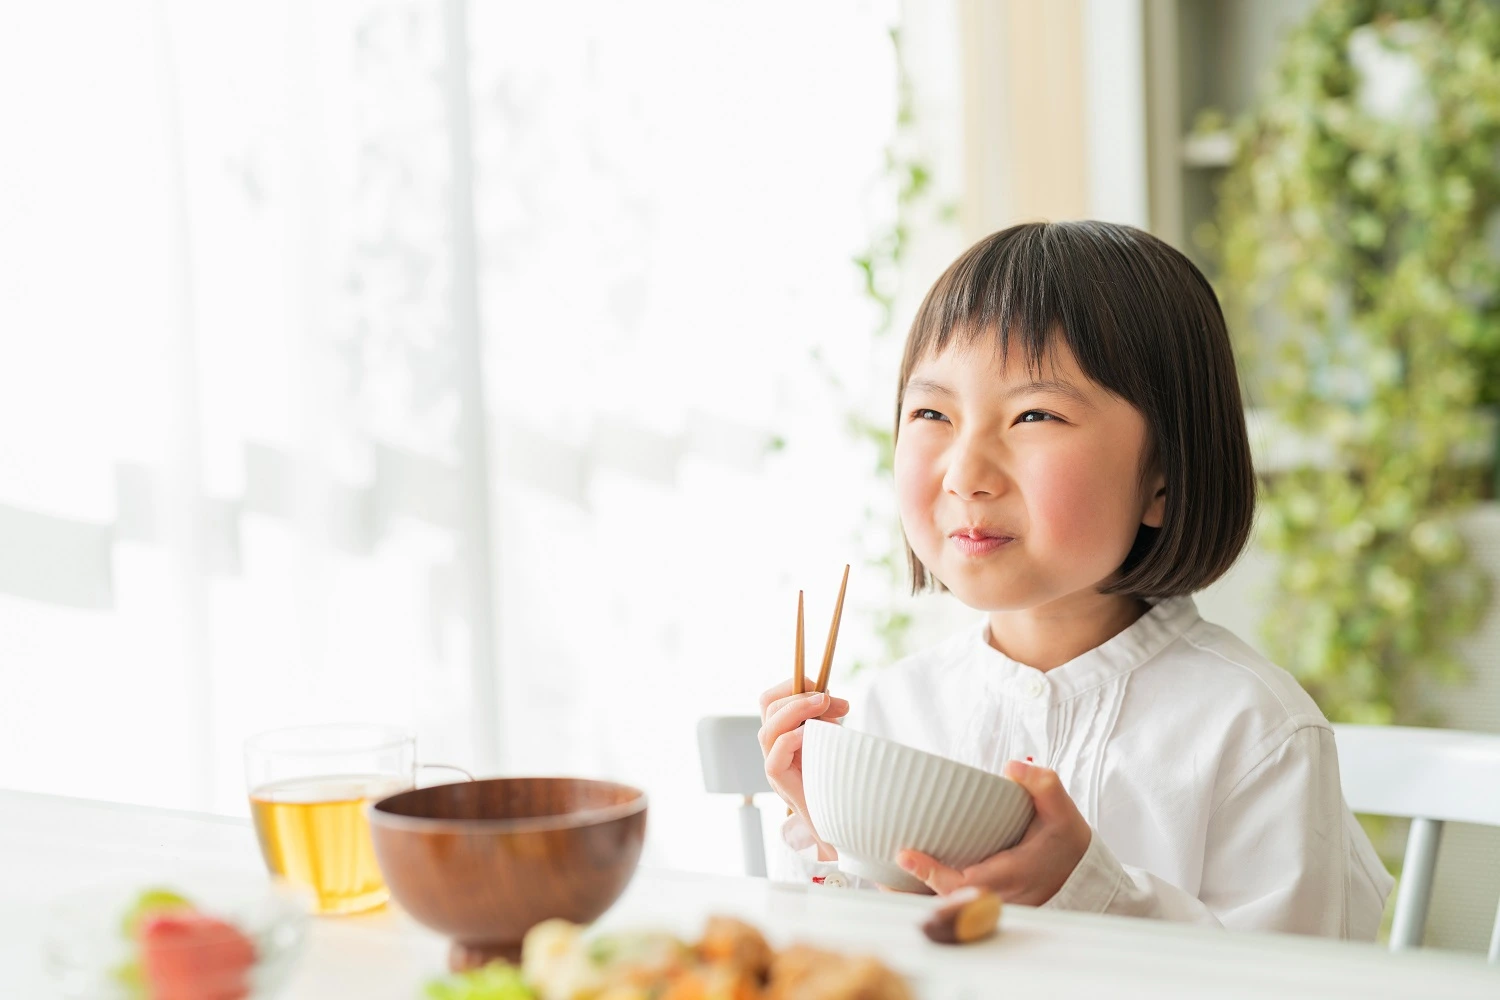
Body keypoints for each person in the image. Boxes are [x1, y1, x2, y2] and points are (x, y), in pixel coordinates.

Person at [758, 221, 1393, 938]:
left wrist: (1085, 888)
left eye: (1034, 414)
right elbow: (841, 963)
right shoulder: (892, 713)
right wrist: (830, 828)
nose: (966, 473)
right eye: (933, 412)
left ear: (1163, 477)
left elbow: (1292, 985)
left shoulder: (1253, 732)